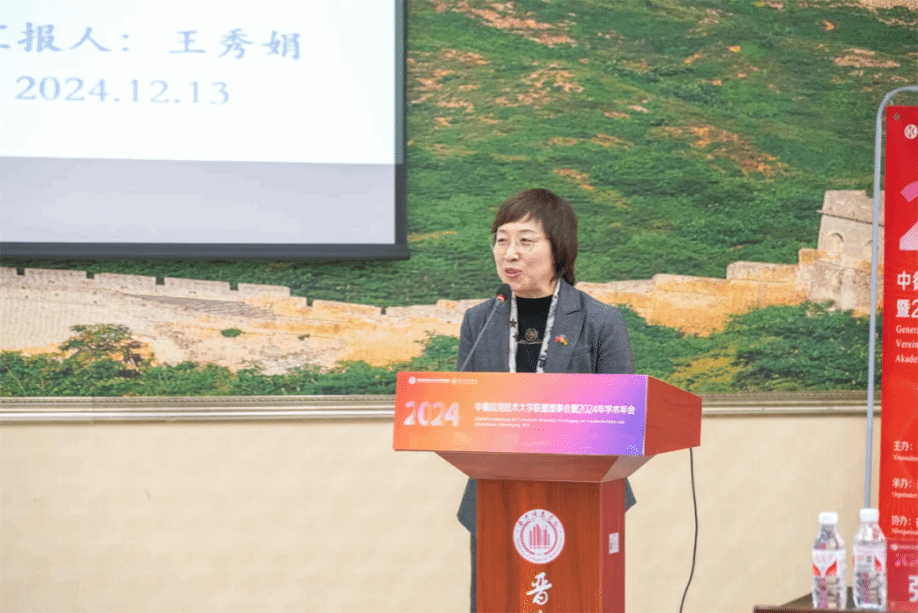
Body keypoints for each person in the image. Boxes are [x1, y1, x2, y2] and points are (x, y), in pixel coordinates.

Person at [455, 187, 636, 612]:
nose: (509, 253)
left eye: (525, 241)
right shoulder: (480, 320)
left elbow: (624, 416)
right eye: (501, 240)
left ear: (559, 249)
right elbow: (462, 410)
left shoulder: (599, 320)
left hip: (583, 497)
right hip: (496, 498)